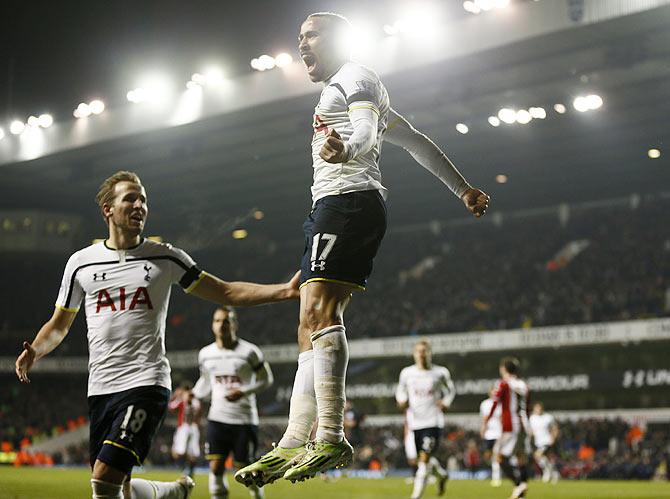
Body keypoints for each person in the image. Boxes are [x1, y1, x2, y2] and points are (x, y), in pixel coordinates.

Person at [236, 11, 489, 487]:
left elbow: (367, 135)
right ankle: (294, 438)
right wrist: (463, 189)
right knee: (307, 322)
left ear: (340, 38)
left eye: (311, 35)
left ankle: (330, 435)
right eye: (299, 37)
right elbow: (415, 142)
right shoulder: (348, 84)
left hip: (349, 202)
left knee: (321, 309)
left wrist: (346, 151)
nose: (302, 45)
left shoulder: (356, 77)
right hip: (333, 205)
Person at [14, 171, 300, 499]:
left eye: (144, 200)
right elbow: (59, 325)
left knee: (103, 481)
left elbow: (225, 291)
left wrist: (283, 291)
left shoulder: (165, 257)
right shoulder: (81, 264)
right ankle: (168, 493)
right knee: (114, 485)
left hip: (145, 383)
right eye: (130, 199)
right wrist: (36, 349)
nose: (140, 205)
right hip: (101, 388)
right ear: (108, 209)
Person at [193, 306, 274, 499]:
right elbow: (206, 381)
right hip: (217, 418)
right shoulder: (205, 354)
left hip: (244, 420)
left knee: (247, 470)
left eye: (226, 321)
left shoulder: (250, 352)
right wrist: (194, 394)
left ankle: (258, 496)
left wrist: (243, 391)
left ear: (234, 324)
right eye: (218, 320)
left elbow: (267, 379)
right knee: (215, 466)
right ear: (213, 325)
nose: (222, 325)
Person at [395, 340, 455, 499]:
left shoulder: (440, 372)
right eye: (419, 351)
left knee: (423, 461)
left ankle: (415, 496)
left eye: (424, 351)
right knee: (423, 459)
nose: (421, 354)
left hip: (433, 422)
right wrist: (402, 400)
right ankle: (442, 475)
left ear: (430, 353)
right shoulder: (407, 373)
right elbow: (400, 391)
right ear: (414, 354)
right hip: (416, 423)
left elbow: (450, 390)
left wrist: (446, 402)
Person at [481, 357, 530, 499]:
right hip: (524, 425)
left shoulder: (503, 384)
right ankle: (521, 495)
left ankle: (518, 484)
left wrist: (485, 422)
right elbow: (527, 408)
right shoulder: (524, 385)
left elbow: (495, 403)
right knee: (521, 458)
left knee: (499, 457)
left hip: (511, 426)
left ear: (503, 369)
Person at [168, 383, 202, 478]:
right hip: (194, 427)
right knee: (192, 452)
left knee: (179, 451)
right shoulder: (197, 401)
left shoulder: (182, 399)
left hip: (184, 426)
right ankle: (190, 470)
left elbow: (171, 407)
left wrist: (175, 396)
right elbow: (199, 414)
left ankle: (184, 469)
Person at [529, 402, 559, 483]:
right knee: (544, 459)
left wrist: (553, 438)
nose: (538, 410)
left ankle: (547, 473)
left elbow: (555, 428)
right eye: (536, 408)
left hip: (547, 441)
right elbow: (531, 430)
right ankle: (554, 473)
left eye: (539, 408)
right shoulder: (532, 418)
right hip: (537, 442)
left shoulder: (548, 417)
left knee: (538, 455)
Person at [479, 387, 503, 487]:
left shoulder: (501, 404)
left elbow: (503, 419)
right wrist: (482, 429)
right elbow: (484, 418)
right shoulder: (485, 404)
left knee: (496, 456)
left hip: (499, 433)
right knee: (488, 455)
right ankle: (496, 472)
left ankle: (496, 478)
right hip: (489, 434)